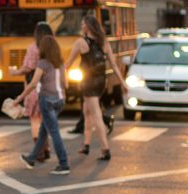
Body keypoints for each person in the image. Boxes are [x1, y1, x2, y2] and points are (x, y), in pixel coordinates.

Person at [65, 14, 127, 161]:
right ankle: (86, 145)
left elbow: (68, 64)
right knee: (87, 112)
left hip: (88, 82)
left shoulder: (80, 42)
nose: (81, 26)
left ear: (87, 26)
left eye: (82, 24)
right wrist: (122, 82)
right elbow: (114, 65)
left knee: (96, 115)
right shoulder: (104, 42)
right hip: (101, 81)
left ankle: (105, 149)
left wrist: (63, 78)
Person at [16, 34, 70, 175]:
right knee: (43, 131)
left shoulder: (42, 63)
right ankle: (31, 158)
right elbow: (66, 84)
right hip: (60, 100)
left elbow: (33, 84)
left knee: (54, 131)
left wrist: (19, 98)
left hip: (47, 100)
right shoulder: (61, 63)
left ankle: (64, 163)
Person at [9, 21, 52, 161]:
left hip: (35, 88)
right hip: (49, 87)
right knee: (45, 120)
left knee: (35, 119)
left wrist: (15, 72)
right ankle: (46, 148)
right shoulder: (53, 48)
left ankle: (39, 151)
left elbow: (28, 68)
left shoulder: (33, 48)